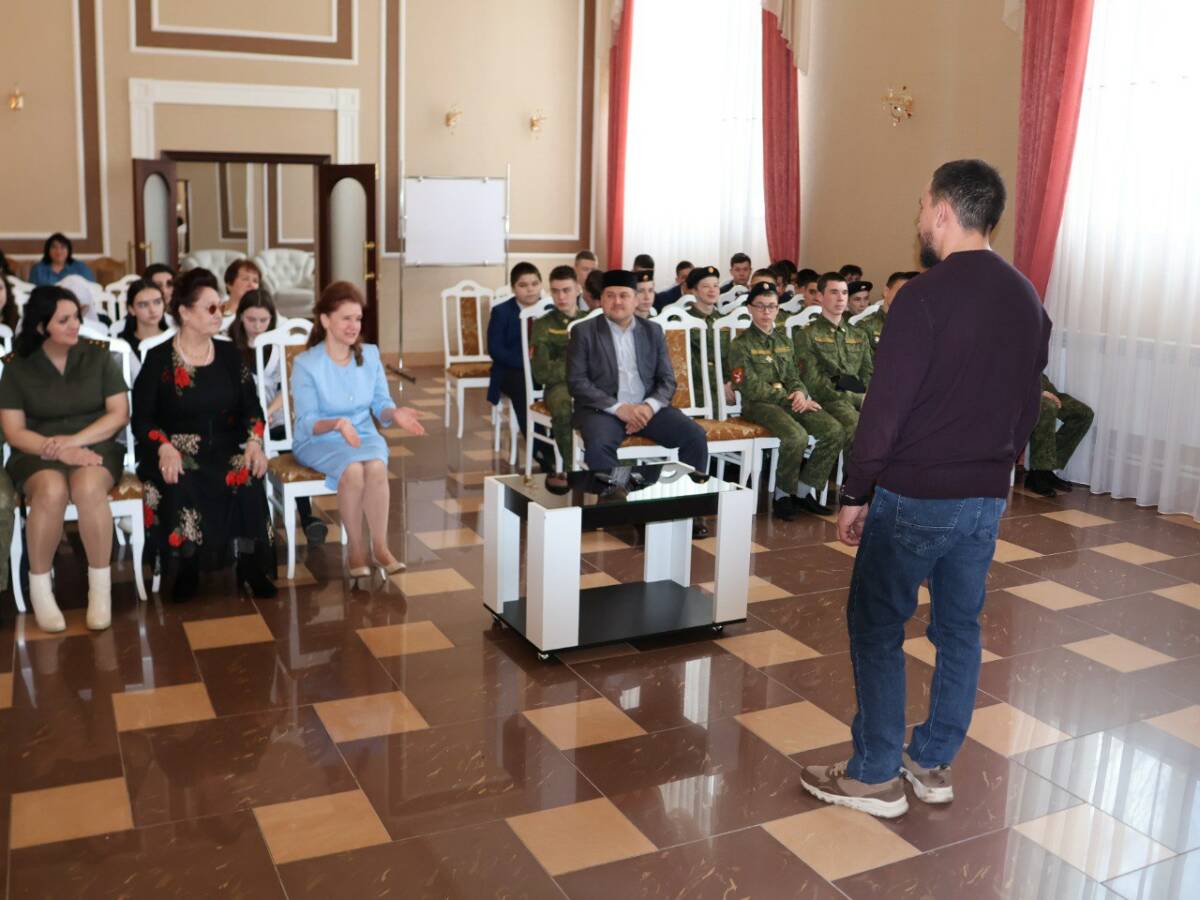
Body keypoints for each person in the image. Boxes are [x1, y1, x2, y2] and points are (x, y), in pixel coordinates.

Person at [798, 159, 1050, 819]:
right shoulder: (1026, 297)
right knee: (959, 628)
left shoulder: (923, 296)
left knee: (877, 622)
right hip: (986, 494)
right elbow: (1028, 405)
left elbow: (885, 410)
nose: (918, 220)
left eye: (920, 206)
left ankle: (875, 772)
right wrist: (995, 468)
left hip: (916, 494)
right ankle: (931, 761)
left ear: (942, 210)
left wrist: (855, 492)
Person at [132, 267, 276, 601]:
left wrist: (254, 442)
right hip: (174, 449)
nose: (219, 314)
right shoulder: (158, 359)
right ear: (185, 312)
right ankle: (187, 566)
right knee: (180, 478)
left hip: (223, 445)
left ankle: (251, 564)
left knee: (247, 471)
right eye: (211, 308)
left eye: (220, 307)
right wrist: (163, 446)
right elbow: (143, 419)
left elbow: (252, 409)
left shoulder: (229, 355)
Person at [0, 286, 127, 632]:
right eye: (64, 320)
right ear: (42, 326)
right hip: (36, 451)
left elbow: (119, 414)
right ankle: (41, 590)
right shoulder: (16, 366)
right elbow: (14, 431)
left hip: (95, 445)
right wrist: (55, 448)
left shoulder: (98, 356)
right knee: (51, 491)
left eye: (76, 317)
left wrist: (73, 443)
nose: (75, 325)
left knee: (88, 489)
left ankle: (100, 592)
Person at [291, 281, 425, 583]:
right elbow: (307, 422)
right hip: (319, 439)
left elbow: (381, 403)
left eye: (358, 318)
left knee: (375, 465)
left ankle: (380, 547)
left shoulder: (370, 355)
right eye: (346, 318)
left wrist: (394, 413)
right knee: (352, 470)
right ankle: (355, 548)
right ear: (326, 320)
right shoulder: (307, 364)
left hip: (362, 434)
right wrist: (337, 424)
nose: (354, 326)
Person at [566, 269, 709, 536]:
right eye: (610, 295)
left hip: (647, 409)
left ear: (635, 299)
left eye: (623, 295)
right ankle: (621, 504)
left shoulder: (652, 331)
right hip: (603, 410)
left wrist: (647, 407)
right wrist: (620, 408)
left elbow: (667, 380)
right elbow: (577, 382)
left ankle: (691, 508)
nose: (617, 301)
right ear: (601, 299)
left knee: (695, 436)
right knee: (598, 444)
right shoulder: (584, 332)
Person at [728, 282, 845, 518]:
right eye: (760, 306)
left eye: (771, 306)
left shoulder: (784, 341)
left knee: (834, 430)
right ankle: (782, 495)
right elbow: (750, 386)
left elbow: (794, 376)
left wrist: (800, 392)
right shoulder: (740, 345)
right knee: (796, 436)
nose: (766, 312)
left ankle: (802, 491)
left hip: (790, 401)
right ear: (750, 308)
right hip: (759, 405)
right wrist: (790, 399)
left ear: (778, 309)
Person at [229, 289, 328, 542]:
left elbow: (287, 389)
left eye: (264, 320)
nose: (257, 326)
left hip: (273, 416)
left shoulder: (277, 345)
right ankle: (251, 523)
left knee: (290, 448)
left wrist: (268, 412)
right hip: (240, 419)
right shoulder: (228, 345)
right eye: (251, 320)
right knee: (241, 455)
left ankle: (307, 518)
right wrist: (253, 417)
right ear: (240, 317)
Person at [487, 262, 553, 470]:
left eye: (535, 284)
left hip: (545, 372)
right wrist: (527, 362)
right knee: (523, 388)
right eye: (523, 285)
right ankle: (543, 453)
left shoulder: (551, 309)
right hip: (511, 372)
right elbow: (495, 349)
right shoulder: (502, 311)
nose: (530, 289)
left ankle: (560, 444)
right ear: (513, 288)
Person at [792, 272, 873, 441]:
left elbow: (868, 374)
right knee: (859, 426)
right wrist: (857, 399)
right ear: (821, 297)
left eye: (844, 293)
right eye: (834, 292)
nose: (841, 298)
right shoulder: (807, 334)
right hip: (828, 400)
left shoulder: (859, 335)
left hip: (860, 398)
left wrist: (870, 397)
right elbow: (814, 383)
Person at [531, 266, 581, 487]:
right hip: (558, 387)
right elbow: (541, 372)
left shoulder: (590, 320)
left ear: (578, 289)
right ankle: (572, 470)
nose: (561, 297)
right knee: (563, 409)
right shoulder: (543, 325)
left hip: (591, 385)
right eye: (555, 291)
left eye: (566, 290)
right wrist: (576, 368)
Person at [1024, 374, 1094, 496]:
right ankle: (1039, 472)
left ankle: (1045, 471)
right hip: (1022, 388)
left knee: (1083, 414)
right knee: (1047, 407)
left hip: (1040, 381)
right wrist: (1037, 392)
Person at [684, 265, 732, 410]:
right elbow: (690, 363)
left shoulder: (726, 321)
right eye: (706, 286)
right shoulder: (684, 322)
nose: (712, 290)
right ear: (694, 290)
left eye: (716, 286)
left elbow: (735, 357)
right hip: (697, 388)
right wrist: (718, 386)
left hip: (728, 386)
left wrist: (731, 383)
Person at [117, 279, 168, 380]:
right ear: (131, 309)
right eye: (143, 305)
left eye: (157, 302)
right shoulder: (122, 346)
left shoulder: (174, 339)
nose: (152, 310)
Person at [859, 271, 916, 351]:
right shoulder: (865, 326)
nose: (906, 297)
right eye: (901, 292)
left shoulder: (914, 325)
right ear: (886, 291)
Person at [28, 233, 96, 286]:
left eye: (63, 247)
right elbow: (30, 291)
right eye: (54, 247)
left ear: (68, 250)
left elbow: (92, 289)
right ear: (48, 250)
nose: (58, 251)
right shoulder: (38, 269)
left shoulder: (80, 267)